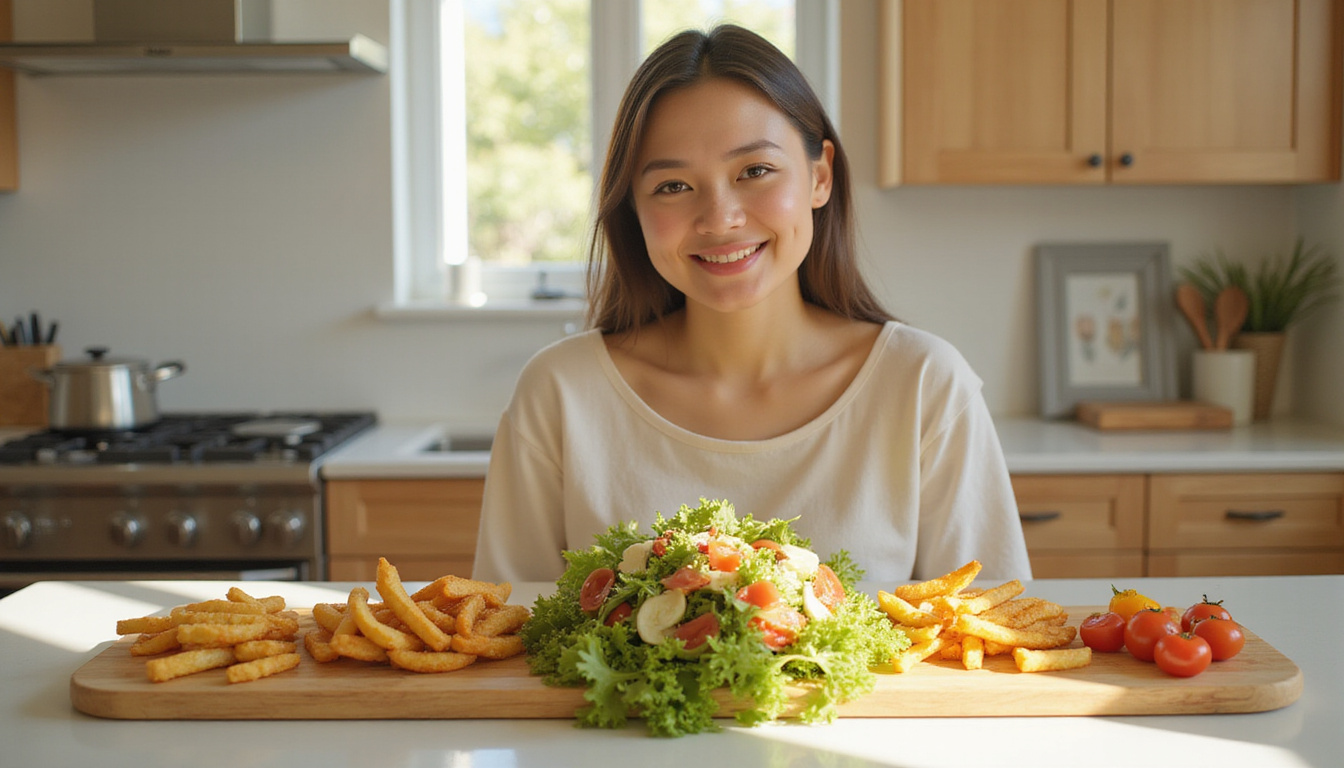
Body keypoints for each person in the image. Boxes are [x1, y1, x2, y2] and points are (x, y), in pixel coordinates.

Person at [472, 25, 1030, 584]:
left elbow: (996, 631)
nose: (720, 218)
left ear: (819, 176)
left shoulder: (925, 386)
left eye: (755, 172)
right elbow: (510, 638)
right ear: (633, 210)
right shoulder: (559, 393)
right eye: (672, 186)